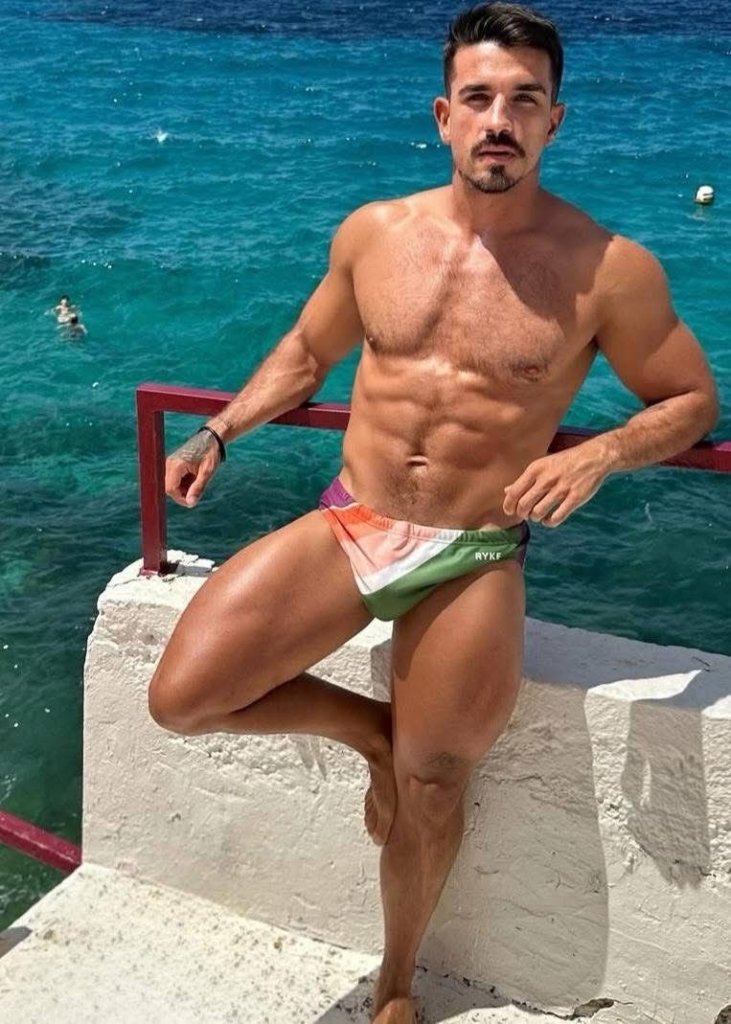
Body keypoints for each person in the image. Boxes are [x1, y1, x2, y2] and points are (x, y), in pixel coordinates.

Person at [148, 4, 719, 1021]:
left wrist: (596, 453)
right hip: (355, 517)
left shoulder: (607, 268)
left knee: (438, 778)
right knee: (183, 696)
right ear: (443, 114)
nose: (499, 120)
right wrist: (218, 431)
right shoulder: (374, 233)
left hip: (476, 548)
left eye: (524, 101)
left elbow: (688, 401)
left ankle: (396, 984)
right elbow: (306, 353)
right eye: (478, 98)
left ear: (554, 121)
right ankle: (371, 731)